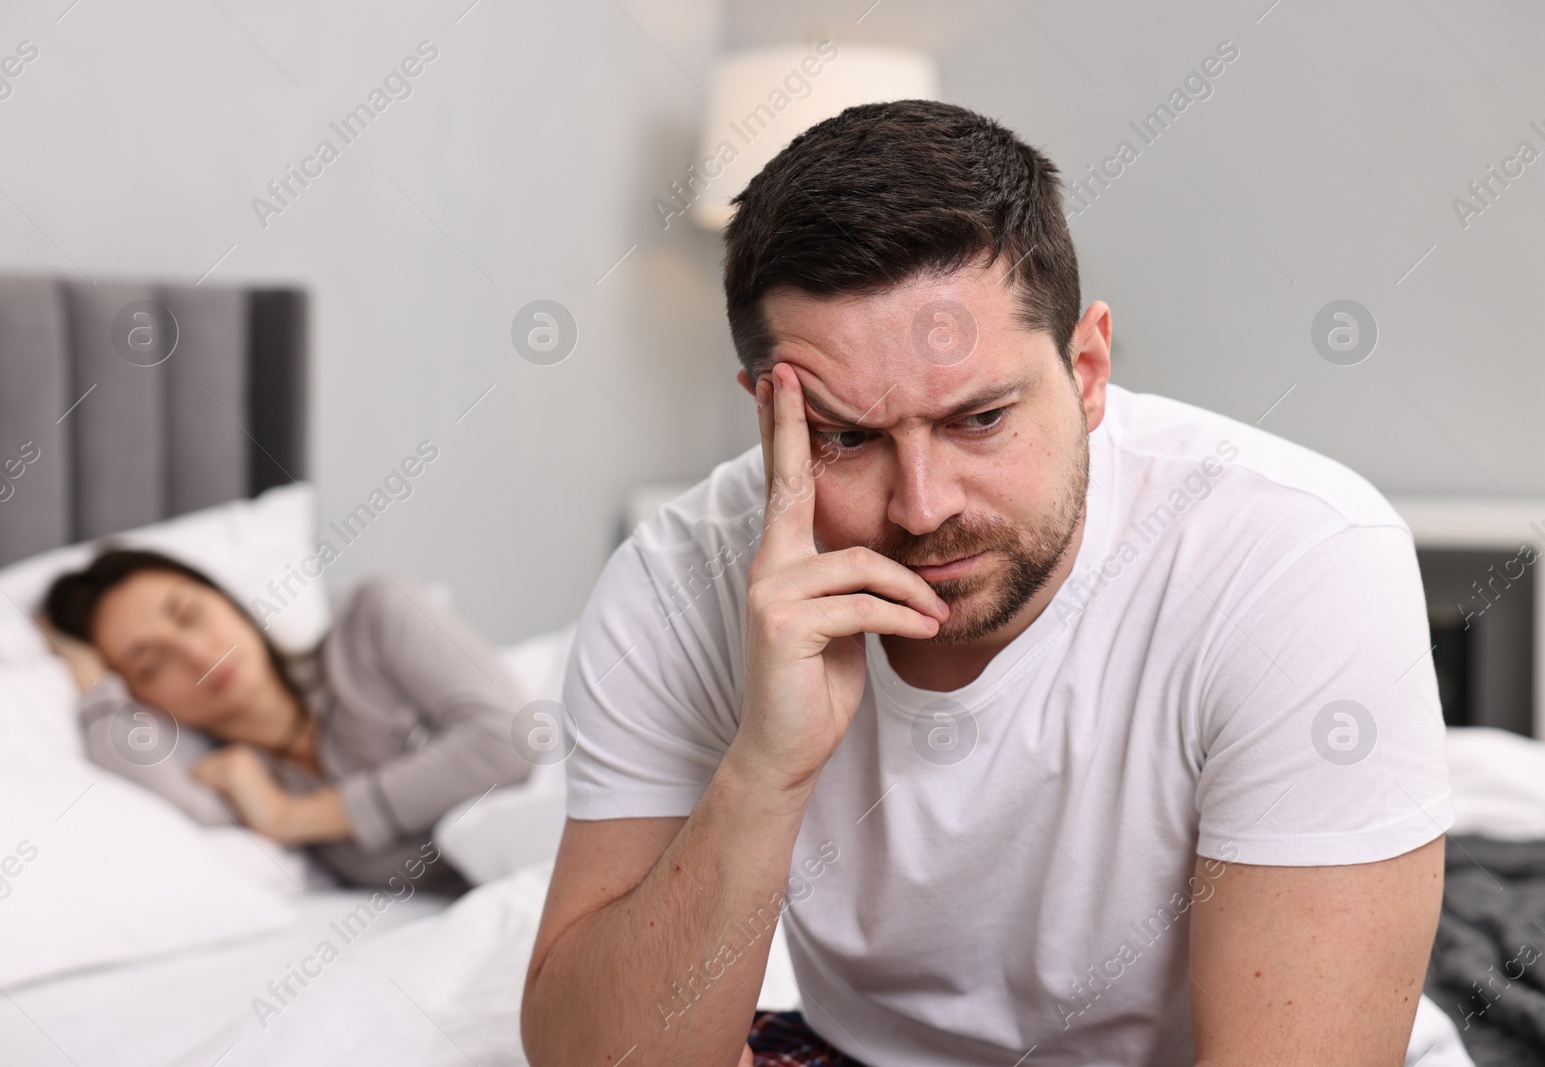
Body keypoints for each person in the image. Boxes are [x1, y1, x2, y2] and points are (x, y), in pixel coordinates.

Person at [519, 100, 1459, 1066]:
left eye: (978, 419)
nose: (923, 507)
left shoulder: (1297, 556)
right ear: (770, 417)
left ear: (1087, 369)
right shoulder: (680, 581)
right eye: (847, 435)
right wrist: (766, 768)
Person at [41, 549, 531, 895]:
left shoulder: (372, 621)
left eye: (190, 614)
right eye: (151, 664)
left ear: (227, 600)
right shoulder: (242, 782)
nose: (196, 654)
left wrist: (294, 818)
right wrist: (95, 689)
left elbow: (514, 740)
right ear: (140, 698)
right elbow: (174, 799)